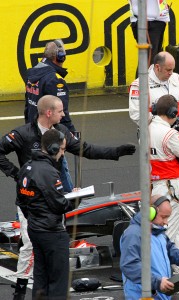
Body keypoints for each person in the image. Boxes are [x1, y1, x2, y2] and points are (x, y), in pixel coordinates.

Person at [0, 95, 136, 299]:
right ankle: (20, 290)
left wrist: (116, 151)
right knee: (29, 243)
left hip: (54, 194)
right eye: (60, 111)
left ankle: (44, 288)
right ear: (48, 112)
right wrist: (17, 174)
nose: (64, 114)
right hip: (31, 199)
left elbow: (86, 149)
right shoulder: (22, 134)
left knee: (48, 244)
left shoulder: (62, 131)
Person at [16, 129, 73, 300]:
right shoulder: (48, 171)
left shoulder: (26, 167)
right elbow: (59, 204)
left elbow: (21, 201)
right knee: (58, 281)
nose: (62, 154)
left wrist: (34, 218)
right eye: (62, 150)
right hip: (52, 232)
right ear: (54, 148)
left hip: (35, 229)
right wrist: (74, 201)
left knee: (40, 278)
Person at [120, 194, 179, 300]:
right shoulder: (133, 234)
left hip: (159, 295)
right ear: (150, 213)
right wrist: (157, 282)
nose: (166, 222)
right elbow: (130, 265)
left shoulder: (158, 231)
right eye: (163, 217)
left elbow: (169, 249)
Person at [24, 39, 76, 192]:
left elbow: (27, 106)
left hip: (33, 134)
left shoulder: (32, 74)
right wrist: (71, 135)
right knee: (62, 179)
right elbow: (62, 113)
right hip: (52, 138)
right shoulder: (54, 79)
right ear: (59, 57)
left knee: (35, 177)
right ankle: (69, 210)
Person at [149, 95, 179, 257]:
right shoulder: (170, 134)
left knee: (176, 230)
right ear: (172, 112)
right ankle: (160, 268)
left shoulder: (145, 130)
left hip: (155, 185)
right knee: (168, 229)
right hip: (172, 187)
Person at [129, 51, 179, 128]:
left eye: (173, 69)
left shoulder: (177, 78)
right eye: (168, 70)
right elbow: (136, 114)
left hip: (177, 130)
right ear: (157, 67)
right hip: (153, 132)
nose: (171, 73)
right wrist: (163, 125)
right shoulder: (140, 85)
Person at [128, 0, 170, 65]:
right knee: (149, 60)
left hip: (159, 19)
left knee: (155, 60)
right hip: (147, 20)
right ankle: (143, 75)